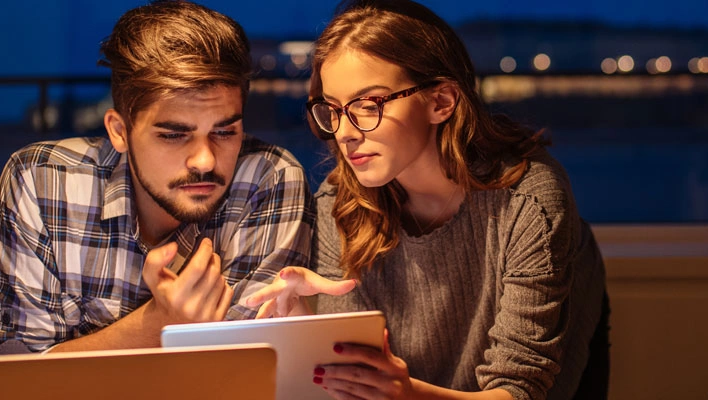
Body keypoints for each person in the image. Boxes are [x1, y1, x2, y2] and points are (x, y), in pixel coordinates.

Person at [245, 1, 610, 399]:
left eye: (369, 105)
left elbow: (519, 390)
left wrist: (405, 393)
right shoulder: (342, 202)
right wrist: (302, 327)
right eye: (332, 110)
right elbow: (358, 381)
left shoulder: (527, 201)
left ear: (441, 102)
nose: (344, 132)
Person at [0, 0, 314, 355]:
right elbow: (12, 374)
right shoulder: (42, 181)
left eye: (225, 132)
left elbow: (250, 369)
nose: (204, 160)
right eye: (173, 135)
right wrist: (156, 322)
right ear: (120, 131)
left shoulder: (268, 180)